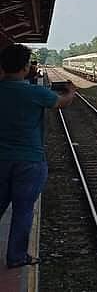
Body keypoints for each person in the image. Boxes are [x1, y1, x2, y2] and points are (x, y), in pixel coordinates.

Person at [0, 44, 74, 268]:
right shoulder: (34, 92)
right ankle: (17, 257)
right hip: (30, 161)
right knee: (23, 210)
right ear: (25, 67)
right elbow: (61, 103)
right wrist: (71, 91)